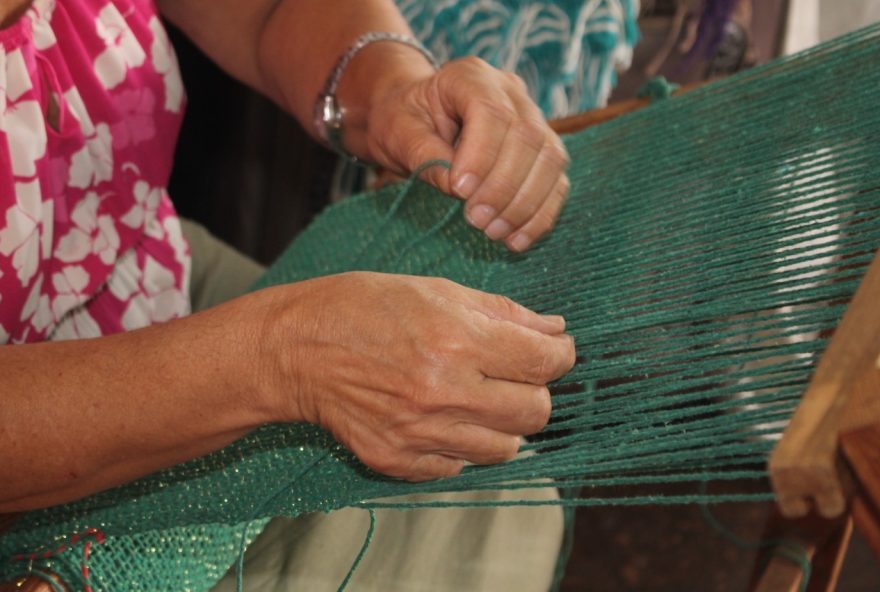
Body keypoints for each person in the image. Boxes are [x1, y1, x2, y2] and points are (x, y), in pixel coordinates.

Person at [0, 0, 575, 589]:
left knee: (494, 489)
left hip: (128, 262)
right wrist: (283, 358)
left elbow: (266, 13)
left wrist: (392, 88)